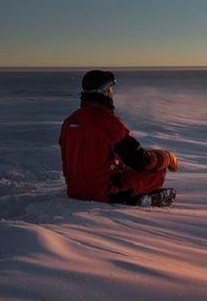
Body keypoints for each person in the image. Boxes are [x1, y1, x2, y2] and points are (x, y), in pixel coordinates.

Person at [59, 70, 179, 207]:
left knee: (126, 169)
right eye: (110, 89)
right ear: (104, 91)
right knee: (156, 171)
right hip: (103, 192)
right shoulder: (108, 122)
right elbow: (139, 160)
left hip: (74, 191)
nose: (112, 93)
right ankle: (134, 200)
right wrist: (167, 158)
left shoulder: (69, 121)